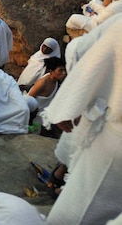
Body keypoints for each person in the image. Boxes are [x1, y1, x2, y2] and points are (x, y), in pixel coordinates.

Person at [43, 18, 122, 224]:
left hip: (114, 146)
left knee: (79, 211)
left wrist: (72, 105)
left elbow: (82, 50)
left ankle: (60, 180)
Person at [23, 56, 66, 123]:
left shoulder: (57, 82)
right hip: (33, 117)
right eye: (60, 70)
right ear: (51, 71)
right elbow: (29, 100)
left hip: (43, 118)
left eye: (64, 70)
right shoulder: (43, 83)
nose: (64, 73)